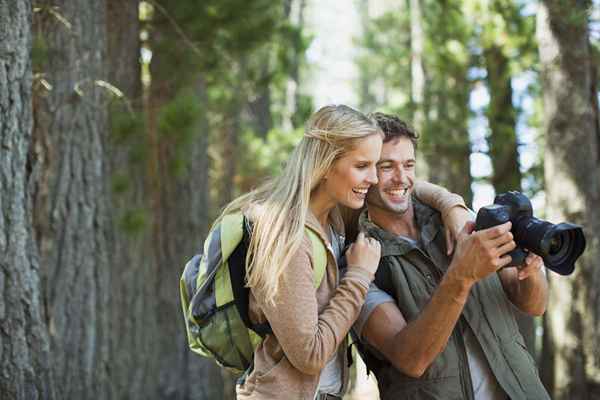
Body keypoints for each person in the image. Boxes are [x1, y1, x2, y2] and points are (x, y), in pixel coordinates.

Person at [220, 105, 468, 400]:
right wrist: (359, 276)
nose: (374, 179)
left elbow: (404, 187)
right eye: (363, 166)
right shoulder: (287, 235)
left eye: (376, 166)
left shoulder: (335, 215)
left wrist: (451, 205)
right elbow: (310, 356)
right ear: (325, 164)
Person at [353, 112, 550, 400]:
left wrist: (530, 273)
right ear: (366, 171)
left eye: (408, 165)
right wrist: (462, 275)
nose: (401, 178)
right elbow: (411, 359)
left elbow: (534, 304)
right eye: (386, 166)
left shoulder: (460, 222)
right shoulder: (360, 260)